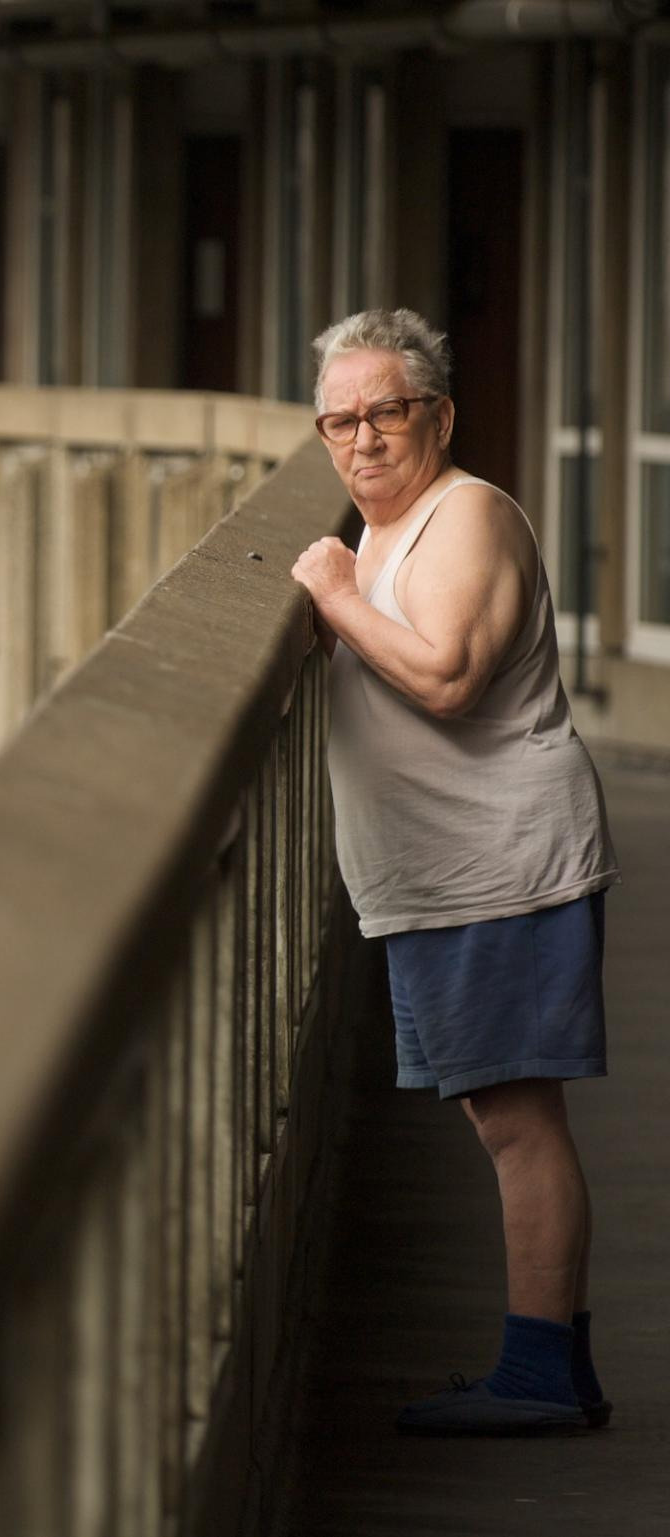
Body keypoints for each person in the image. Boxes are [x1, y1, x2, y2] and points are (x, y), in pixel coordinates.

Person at [289, 308, 620, 1436]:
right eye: (339, 420)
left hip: (501, 867)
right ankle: (551, 1363)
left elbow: (444, 679)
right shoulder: (383, 534)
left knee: (519, 1121)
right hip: (440, 877)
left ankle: (540, 1373)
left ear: (435, 413)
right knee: (499, 1113)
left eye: (384, 411)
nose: (361, 439)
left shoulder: (463, 514)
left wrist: (329, 596)